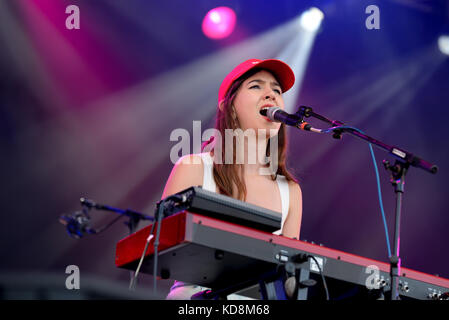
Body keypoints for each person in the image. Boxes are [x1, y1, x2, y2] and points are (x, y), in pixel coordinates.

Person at [162, 58, 303, 299]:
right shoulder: (195, 167)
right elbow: (161, 252)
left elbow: (289, 278)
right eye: (256, 86)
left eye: (277, 90)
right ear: (229, 106)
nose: (270, 94)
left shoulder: (290, 190)